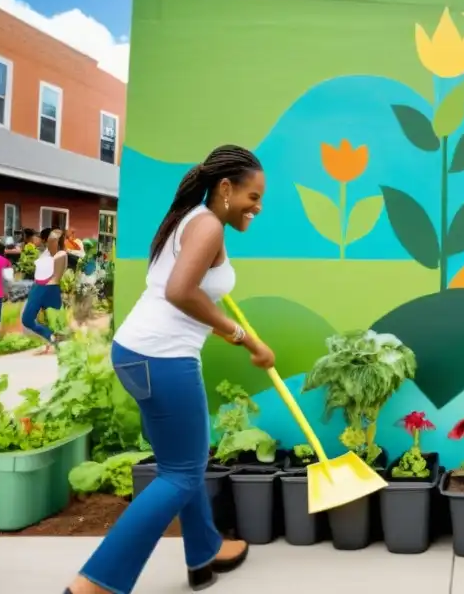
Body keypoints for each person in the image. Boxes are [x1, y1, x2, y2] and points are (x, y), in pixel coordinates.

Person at [65, 145, 274, 594]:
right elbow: (181, 291)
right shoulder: (208, 226)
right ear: (224, 188)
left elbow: (178, 291)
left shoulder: (188, 220)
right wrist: (240, 335)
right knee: (181, 472)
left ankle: (204, 552)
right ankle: (94, 584)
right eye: (253, 196)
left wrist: (240, 336)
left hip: (135, 352)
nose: (257, 207)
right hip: (163, 358)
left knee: (182, 462)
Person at [21, 228, 68, 352]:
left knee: (29, 319)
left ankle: (52, 338)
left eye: (39, 237)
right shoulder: (45, 253)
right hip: (41, 287)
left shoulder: (58, 254)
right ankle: (51, 338)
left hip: (45, 288)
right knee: (33, 319)